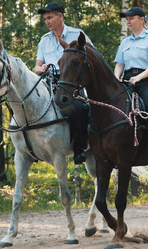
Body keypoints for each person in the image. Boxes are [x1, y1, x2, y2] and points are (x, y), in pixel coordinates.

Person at [34, 2, 91, 164]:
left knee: (79, 108)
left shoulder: (77, 34)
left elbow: (92, 58)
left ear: (60, 16)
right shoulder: (44, 40)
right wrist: (41, 68)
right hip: (50, 81)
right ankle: (31, 147)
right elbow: (36, 66)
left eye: (50, 17)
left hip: (73, 83)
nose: (47, 21)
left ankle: (79, 149)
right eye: (45, 18)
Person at [114, 7, 148, 164]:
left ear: (141, 19)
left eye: (131, 18)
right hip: (128, 80)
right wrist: (116, 78)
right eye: (126, 19)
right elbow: (119, 64)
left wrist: (139, 77)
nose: (128, 21)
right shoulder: (125, 42)